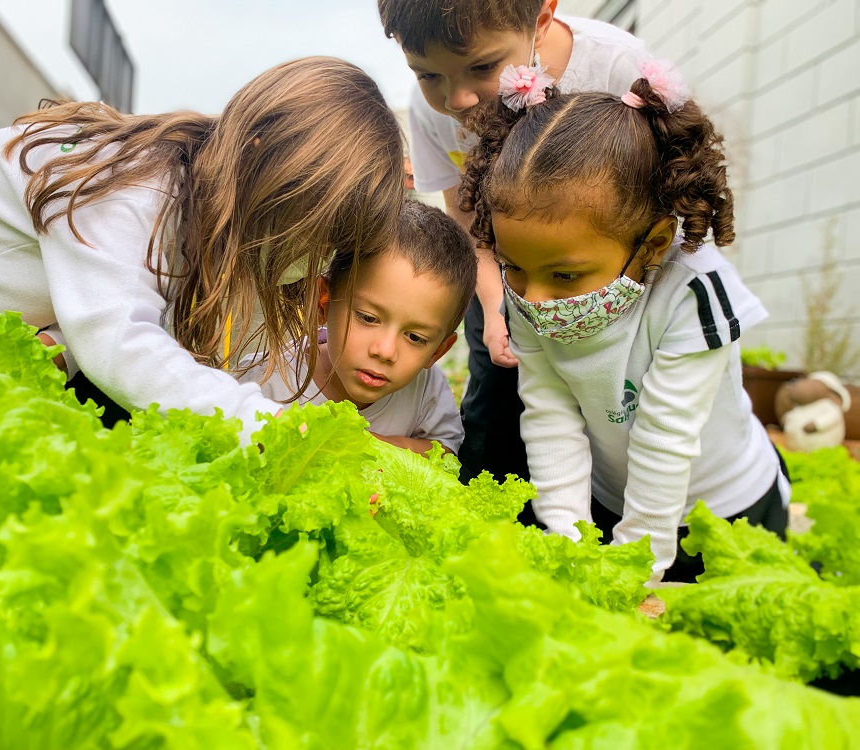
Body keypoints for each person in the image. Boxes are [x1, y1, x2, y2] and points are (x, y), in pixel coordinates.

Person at [0, 57, 404, 449]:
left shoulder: (222, 209)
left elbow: (215, 371)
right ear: (259, 160)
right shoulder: (137, 186)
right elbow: (120, 344)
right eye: (304, 229)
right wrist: (277, 429)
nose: (309, 258)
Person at [459, 59, 789, 582]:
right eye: (513, 266)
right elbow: (549, 416)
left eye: (565, 276)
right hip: (617, 498)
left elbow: (666, 435)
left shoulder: (691, 288)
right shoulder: (524, 290)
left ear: (654, 245)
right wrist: (570, 543)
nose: (536, 299)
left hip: (728, 509)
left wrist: (637, 568)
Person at [378, 0, 655, 493]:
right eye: (428, 75)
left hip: (608, 282)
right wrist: (495, 304)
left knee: (613, 411)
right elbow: (466, 218)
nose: (457, 98)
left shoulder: (616, 65)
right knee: (495, 412)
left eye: (482, 67)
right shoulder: (431, 110)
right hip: (502, 273)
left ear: (542, 18)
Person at [239, 200, 476, 457]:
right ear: (324, 304)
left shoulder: (425, 389)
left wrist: (371, 446)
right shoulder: (266, 382)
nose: (385, 351)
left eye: (415, 337)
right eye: (368, 318)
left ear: (437, 352)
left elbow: (445, 448)